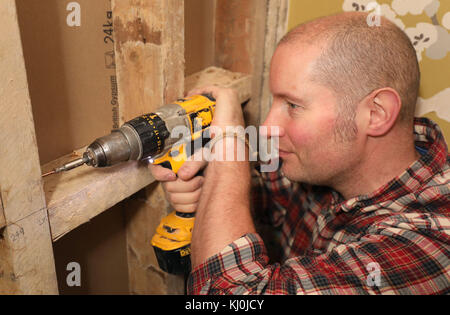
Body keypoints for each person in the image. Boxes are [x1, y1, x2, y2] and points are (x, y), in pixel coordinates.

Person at [149, 12, 450, 295]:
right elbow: (267, 193)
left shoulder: (431, 242)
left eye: (292, 106)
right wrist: (206, 185)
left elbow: (231, 296)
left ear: (376, 113)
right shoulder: (329, 164)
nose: (266, 127)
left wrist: (228, 147)